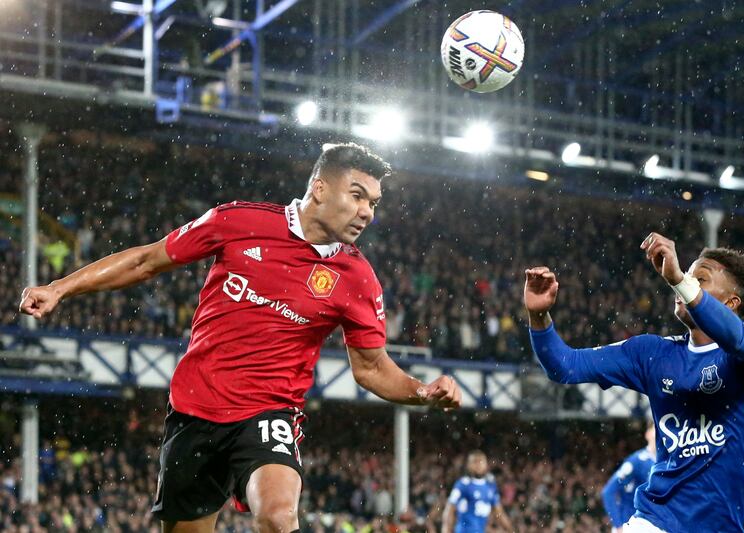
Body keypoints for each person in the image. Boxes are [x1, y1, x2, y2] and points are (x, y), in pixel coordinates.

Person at [19, 142, 462, 533]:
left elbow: (371, 368)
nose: (367, 211)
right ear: (321, 188)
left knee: (277, 517)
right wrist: (59, 288)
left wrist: (422, 391)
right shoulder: (238, 221)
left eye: (375, 203)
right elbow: (147, 261)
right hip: (195, 410)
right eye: (358, 195)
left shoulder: (356, 277)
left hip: (268, 413)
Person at [524, 233, 744, 533]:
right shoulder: (652, 354)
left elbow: (737, 338)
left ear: (731, 302)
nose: (685, 280)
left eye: (701, 278)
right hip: (658, 522)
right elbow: (564, 366)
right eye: (686, 274)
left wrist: (680, 281)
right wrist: (538, 315)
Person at [602, 423, 656, 533]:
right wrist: (618, 525)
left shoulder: (669, 463)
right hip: (631, 525)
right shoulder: (637, 461)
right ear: (647, 434)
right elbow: (608, 492)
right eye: (655, 428)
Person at [441, 450, 512, 533]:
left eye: (481, 461)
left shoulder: (491, 486)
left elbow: (499, 513)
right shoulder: (462, 485)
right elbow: (449, 511)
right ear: (468, 465)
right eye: (475, 462)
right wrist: (446, 529)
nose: (478, 465)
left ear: (486, 464)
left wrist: (511, 530)